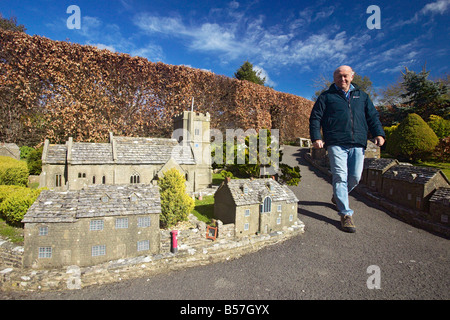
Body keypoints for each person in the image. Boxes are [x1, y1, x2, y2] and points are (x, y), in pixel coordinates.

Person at [309, 65, 385, 233]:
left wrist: (379, 133)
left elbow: (372, 117)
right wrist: (316, 137)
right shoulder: (326, 97)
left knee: (355, 177)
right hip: (336, 142)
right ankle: (345, 214)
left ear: (352, 76)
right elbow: (316, 118)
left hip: (358, 142)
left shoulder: (362, 96)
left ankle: (338, 196)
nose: (342, 79)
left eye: (345, 76)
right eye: (338, 77)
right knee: (340, 177)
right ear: (334, 79)